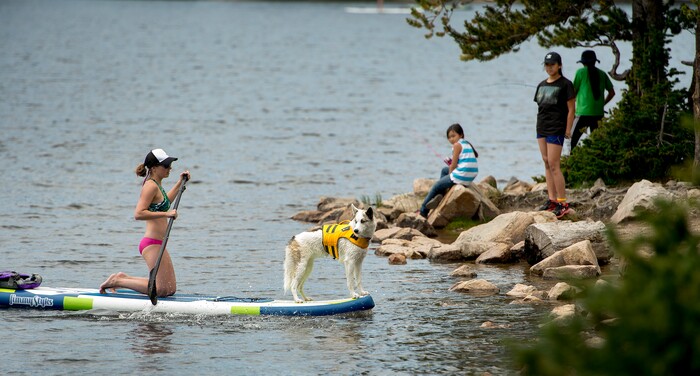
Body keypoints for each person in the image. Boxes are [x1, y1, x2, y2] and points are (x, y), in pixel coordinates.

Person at [99, 148, 190, 296]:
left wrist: (180, 183)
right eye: (166, 166)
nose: (170, 168)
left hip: (159, 243)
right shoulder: (150, 186)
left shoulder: (157, 185)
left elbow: (166, 203)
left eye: (170, 165)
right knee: (160, 289)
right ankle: (117, 281)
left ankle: (123, 278)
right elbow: (139, 213)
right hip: (151, 243)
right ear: (154, 168)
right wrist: (167, 214)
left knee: (169, 289)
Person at [534, 52, 575, 219]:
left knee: (554, 164)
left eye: (552, 64)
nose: (549, 67)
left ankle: (562, 202)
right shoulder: (541, 85)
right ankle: (551, 200)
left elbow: (571, 109)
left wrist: (568, 129)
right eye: (547, 65)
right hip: (541, 127)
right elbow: (541, 108)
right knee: (545, 162)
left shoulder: (566, 84)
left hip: (556, 128)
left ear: (559, 65)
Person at [418, 123, 478, 218]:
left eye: (453, 136)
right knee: (444, 170)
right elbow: (464, 160)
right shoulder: (466, 144)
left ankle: (423, 211)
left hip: (463, 175)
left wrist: (450, 176)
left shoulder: (457, 145)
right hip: (470, 175)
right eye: (449, 137)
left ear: (461, 134)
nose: (451, 139)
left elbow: (453, 165)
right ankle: (441, 195)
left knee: (436, 186)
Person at [571, 50, 615, 151]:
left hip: (582, 113)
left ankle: (570, 164)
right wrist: (602, 104)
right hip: (598, 114)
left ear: (582, 63)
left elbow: (572, 93)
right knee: (598, 143)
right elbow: (612, 93)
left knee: (572, 142)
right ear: (595, 61)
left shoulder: (580, 72)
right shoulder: (602, 74)